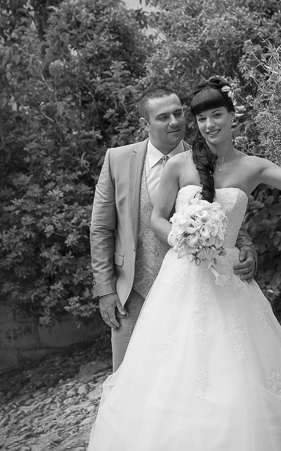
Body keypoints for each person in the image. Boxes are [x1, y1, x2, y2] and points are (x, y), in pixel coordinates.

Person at [68, 77, 281, 451]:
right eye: (202, 117)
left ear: (232, 116)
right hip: (181, 281)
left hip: (228, 285)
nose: (208, 124)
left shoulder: (252, 167)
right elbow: (156, 216)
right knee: (172, 377)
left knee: (232, 377)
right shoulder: (181, 164)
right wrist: (183, 237)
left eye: (216, 115)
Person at [90, 86, 257, 370]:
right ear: (144, 123)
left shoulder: (205, 159)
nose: (175, 122)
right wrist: (105, 289)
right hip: (132, 290)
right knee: (129, 376)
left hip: (193, 289)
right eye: (163, 117)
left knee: (188, 375)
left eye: (178, 113)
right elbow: (101, 228)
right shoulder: (117, 159)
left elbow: (224, 213)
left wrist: (247, 248)